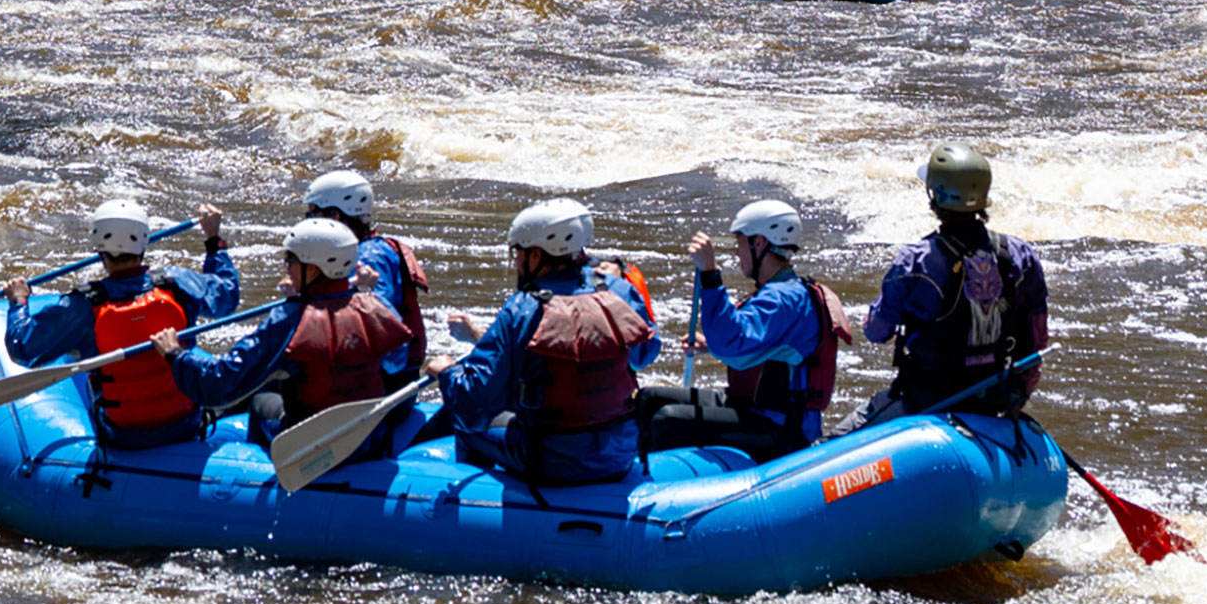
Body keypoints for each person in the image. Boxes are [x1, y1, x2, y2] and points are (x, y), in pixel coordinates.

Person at [425, 199, 660, 484]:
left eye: (519, 253)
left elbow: (475, 398)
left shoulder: (522, 307)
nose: (517, 262)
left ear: (535, 254)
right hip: (621, 451)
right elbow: (644, 354)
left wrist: (447, 373)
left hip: (550, 459)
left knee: (467, 424)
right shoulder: (619, 290)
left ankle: (472, 514)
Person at [153, 217, 412, 454]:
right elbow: (396, 361)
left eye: (291, 262)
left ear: (312, 271)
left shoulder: (290, 319)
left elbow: (222, 383)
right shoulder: (377, 307)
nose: (287, 270)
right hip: (369, 434)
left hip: (314, 445)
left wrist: (176, 355)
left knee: (260, 401)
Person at [839, 143, 1050, 433]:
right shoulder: (1020, 255)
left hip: (925, 400)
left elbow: (877, 332)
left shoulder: (914, 262)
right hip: (993, 400)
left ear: (934, 196)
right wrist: (1018, 397)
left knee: (832, 441)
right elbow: (1037, 341)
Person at [3, 199, 239, 449]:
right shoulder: (179, 284)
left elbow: (23, 348)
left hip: (122, 436)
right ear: (144, 241)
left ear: (99, 250)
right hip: (184, 425)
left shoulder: (83, 305)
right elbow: (228, 297)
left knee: (81, 345)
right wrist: (214, 239)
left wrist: (19, 301)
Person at [637, 199, 854, 463]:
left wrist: (709, 274)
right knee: (649, 399)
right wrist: (710, 345)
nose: (737, 253)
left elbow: (732, 343)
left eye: (740, 243)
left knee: (668, 420)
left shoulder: (784, 299)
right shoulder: (782, 292)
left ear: (759, 243)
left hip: (781, 427)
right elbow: (755, 345)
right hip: (755, 411)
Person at [301, 170, 428, 381]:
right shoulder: (363, 250)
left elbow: (388, 332)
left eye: (313, 214)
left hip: (387, 385)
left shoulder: (368, 258)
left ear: (335, 216)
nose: (307, 223)